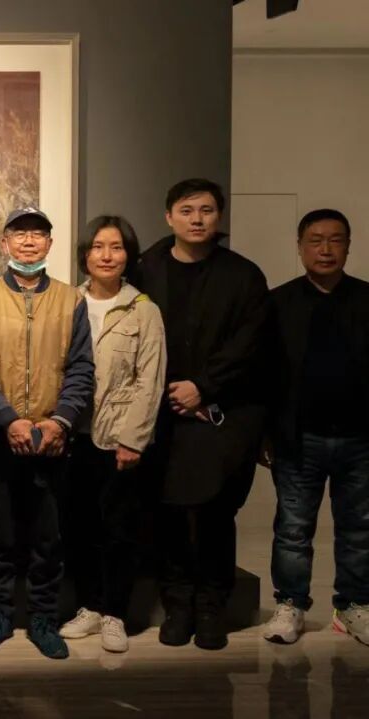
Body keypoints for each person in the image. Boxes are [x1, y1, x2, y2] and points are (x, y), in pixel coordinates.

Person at [136, 178, 270, 651]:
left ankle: (212, 605)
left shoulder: (243, 275)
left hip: (222, 412)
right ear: (168, 217)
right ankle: (177, 605)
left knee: (216, 512)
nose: (197, 219)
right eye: (187, 210)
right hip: (160, 411)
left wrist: (203, 386)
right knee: (167, 512)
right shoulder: (145, 269)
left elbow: (251, 343)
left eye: (207, 210)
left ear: (219, 216)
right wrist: (166, 390)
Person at [0, 206, 94, 660]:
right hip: (0, 436)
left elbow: (81, 368)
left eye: (38, 234)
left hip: (53, 437)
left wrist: (60, 421)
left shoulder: (71, 300)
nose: (29, 241)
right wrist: (8, 419)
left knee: (48, 536)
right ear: (5, 243)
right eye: (20, 234)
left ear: (50, 244)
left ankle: (43, 619)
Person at [57, 216, 166, 653]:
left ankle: (115, 613)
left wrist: (133, 439)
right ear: (85, 254)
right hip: (72, 436)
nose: (106, 255)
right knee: (77, 527)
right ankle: (89, 606)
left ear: (128, 255)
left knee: (119, 529)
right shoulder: (68, 302)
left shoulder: (143, 309)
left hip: (117, 437)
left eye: (116, 247)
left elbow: (150, 380)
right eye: (98, 247)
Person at [262, 208, 369, 646]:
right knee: (292, 528)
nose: (326, 249)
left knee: (359, 528)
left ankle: (354, 606)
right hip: (298, 438)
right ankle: (290, 605)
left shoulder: (366, 299)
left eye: (335, 240)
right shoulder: (278, 303)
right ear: (300, 246)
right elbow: (264, 375)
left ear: (349, 246)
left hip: (361, 438)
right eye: (316, 240)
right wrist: (265, 434)